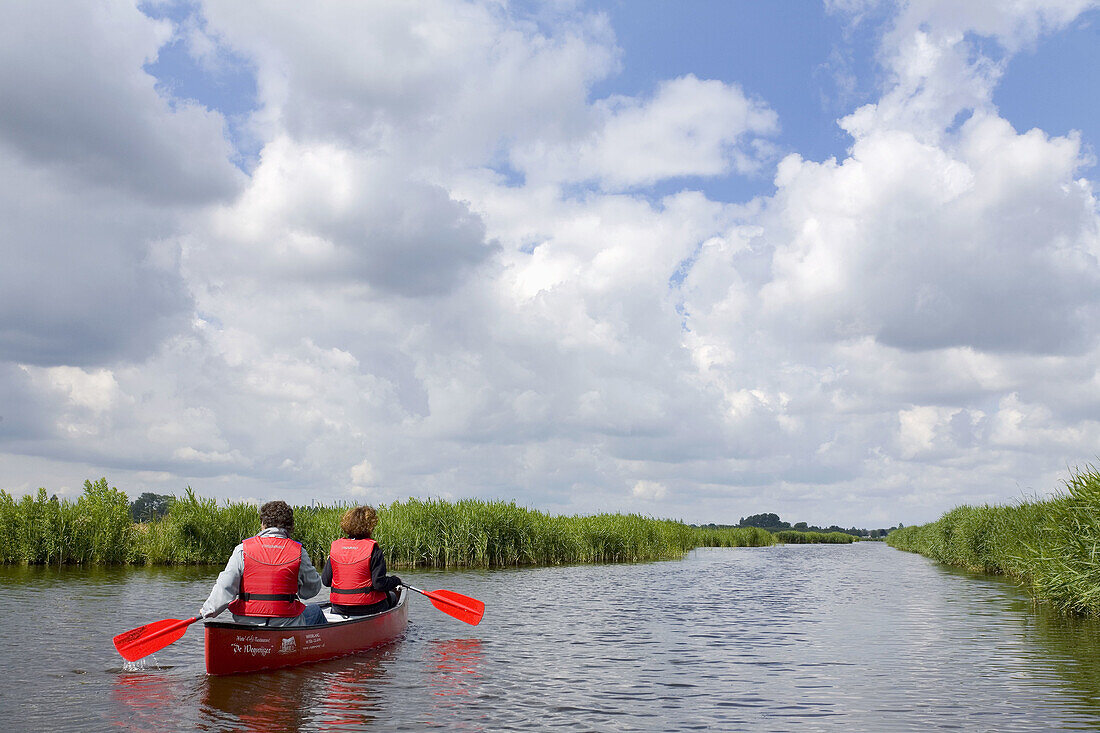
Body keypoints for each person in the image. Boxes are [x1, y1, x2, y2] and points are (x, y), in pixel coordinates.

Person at [200, 500, 327, 626]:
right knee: (316, 611)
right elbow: (312, 590)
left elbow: (225, 586)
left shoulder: (242, 549)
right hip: (286, 625)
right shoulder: (299, 552)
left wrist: (208, 610)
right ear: (290, 526)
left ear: (263, 524)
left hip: (247, 624)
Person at [322, 505, 402, 615]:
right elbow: (379, 584)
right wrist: (395, 580)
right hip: (369, 607)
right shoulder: (373, 549)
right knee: (394, 595)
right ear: (370, 526)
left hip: (339, 607)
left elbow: (326, 581)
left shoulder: (336, 547)